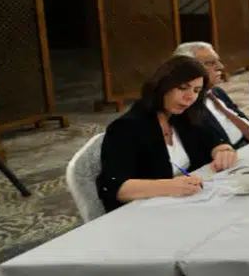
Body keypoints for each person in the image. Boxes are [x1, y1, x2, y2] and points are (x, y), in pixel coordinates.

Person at [96, 56, 239, 212]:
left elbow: (215, 139)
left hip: (191, 204)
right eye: (183, 88)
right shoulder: (127, 127)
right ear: (162, 85)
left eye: (196, 91)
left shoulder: (185, 113)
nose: (190, 97)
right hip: (148, 213)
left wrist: (222, 150)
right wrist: (169, 186)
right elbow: (113, 186)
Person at [174, 42, 249, 149]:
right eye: (210, 63)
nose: (220, 66)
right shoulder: (186, 107)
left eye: (217, 61)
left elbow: (247, 123)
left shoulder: (216, 92)